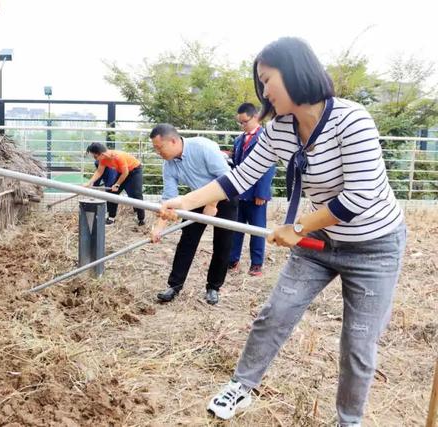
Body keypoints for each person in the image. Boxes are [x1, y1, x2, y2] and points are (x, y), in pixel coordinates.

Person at [159, 37, 406, 426]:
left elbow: (360, 197)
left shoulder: (351, 119)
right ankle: (241, 386)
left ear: (296, 73)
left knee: (358, 344)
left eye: (268, 79)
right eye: (261, 82)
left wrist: (297, 226)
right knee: (275, 314)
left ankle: (349, 421)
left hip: (373, 246)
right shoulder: (280, 129)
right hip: (318, 241)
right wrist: (183, 203)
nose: (264, 91)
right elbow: (238, 177)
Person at [150, 124, 238, 305]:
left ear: (173, 141)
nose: (158, 152)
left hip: (225, 196)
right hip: (196, 198)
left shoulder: (202, 147)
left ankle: (213, 287)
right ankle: (174, 286)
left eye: (160, 147)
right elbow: (169, 199)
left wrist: (212, 203)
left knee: (223, 243)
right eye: (155, 149)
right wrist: (158, 228)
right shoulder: (169, 165)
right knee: (187, 241)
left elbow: (226, 178)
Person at [228, 103, 276, 276]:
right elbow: (235, 163)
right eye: (240, 123)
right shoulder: (239, 139)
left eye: (245, 122)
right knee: (236, 227)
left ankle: (256, 263)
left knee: (257, 229)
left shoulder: (266, 137)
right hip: (239, 192)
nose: (242, 125)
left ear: (255, 117)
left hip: (256, 193)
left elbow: (268, 168)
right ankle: (232, 259)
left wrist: (262, 192)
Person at [85, 142, 145, 226]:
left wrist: (117, 184)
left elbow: (125, 172)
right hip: (122, 172)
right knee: (111, 193)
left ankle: (141, 219)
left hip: (134, 171)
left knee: (136, 194)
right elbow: (99, 172)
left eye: (95, 156)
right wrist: (89, 182)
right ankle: (111, 218)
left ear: (101, 154)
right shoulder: (103, 159)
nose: (95, 159)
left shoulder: (117, 156)